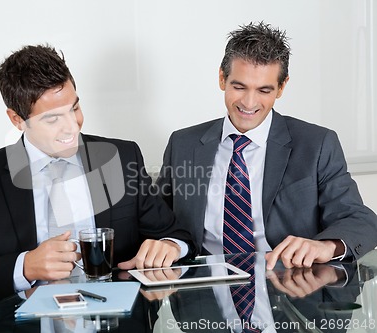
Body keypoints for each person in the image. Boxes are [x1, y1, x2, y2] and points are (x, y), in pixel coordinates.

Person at [0, 44, 195, 311]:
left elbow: (177, 234)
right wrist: (25, 265)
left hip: (114, 321)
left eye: (74, 108)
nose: (72, 126)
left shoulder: (121, 158)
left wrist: (171, 246)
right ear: (17, 119)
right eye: (52, 119)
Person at [155, 21, 377, 270]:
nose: (249, 103)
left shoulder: (317, 144)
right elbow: (158, 222)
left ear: (281, 87)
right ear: (222, 78)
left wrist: (326, 246)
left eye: (264, 90)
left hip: (290, 292)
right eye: (239, 87)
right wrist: (170, 243)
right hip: (203, 296)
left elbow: (360, 220)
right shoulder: (183, 144)